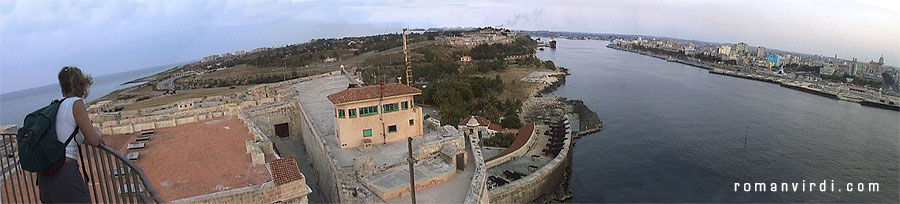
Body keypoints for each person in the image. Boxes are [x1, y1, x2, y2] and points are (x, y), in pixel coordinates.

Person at [38, 66, 105, 203]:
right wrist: (99, 133)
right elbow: (93, 139)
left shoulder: (56, 105)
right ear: (81, 83)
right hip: (65, 173)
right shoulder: (76, 103)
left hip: (45, 176)